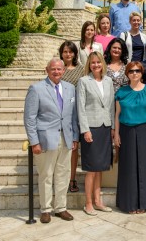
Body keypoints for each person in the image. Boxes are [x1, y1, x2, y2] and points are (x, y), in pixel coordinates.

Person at [24, 58, 79, 224]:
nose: (56, 72)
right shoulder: (36, 88)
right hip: (46, 139)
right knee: (46, 175)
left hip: (66, 138)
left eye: (59, 69)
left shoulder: (70, 88)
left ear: (64, 71)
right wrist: (34, 142)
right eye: (53, 69)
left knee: (63, 174)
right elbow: (29, 118)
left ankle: (60, 208)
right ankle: (45, 209)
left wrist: (75, 136)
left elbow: (73, 116)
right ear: (47, 70)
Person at [114, 62, 146, 214]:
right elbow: (117, 115)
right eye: (131, 71)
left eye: (137, 71)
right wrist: (116, 134)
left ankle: (145, 203)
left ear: (141, 73)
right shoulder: (121, 91)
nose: (134, 73)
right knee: (128, 168)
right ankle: (130, 204)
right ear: (127, 73)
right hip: (126, 131)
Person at [77, 52, 115, 215]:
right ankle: (88, 203)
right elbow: (80, 107)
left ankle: (98, 201)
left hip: (105, 127)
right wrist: (85, 130)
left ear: (102, 64)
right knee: (92, 168)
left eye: (98, 62)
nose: (96, 65)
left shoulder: (108, 81)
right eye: (92, 63)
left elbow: (112, 105)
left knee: (100, 167)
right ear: (89, 65)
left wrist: (113, 127)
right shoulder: (83, 81)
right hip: (91, 128)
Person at [58, 41, 84, 194]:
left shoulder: (81, 69)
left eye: (71, 52)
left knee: (74, 147)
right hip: (60, 112)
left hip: (76, 112)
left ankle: (72, 178)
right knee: (61, 147)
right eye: (65, 51)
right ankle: (61, 178)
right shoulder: (58, 69)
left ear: (75, 53)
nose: (68, 54)